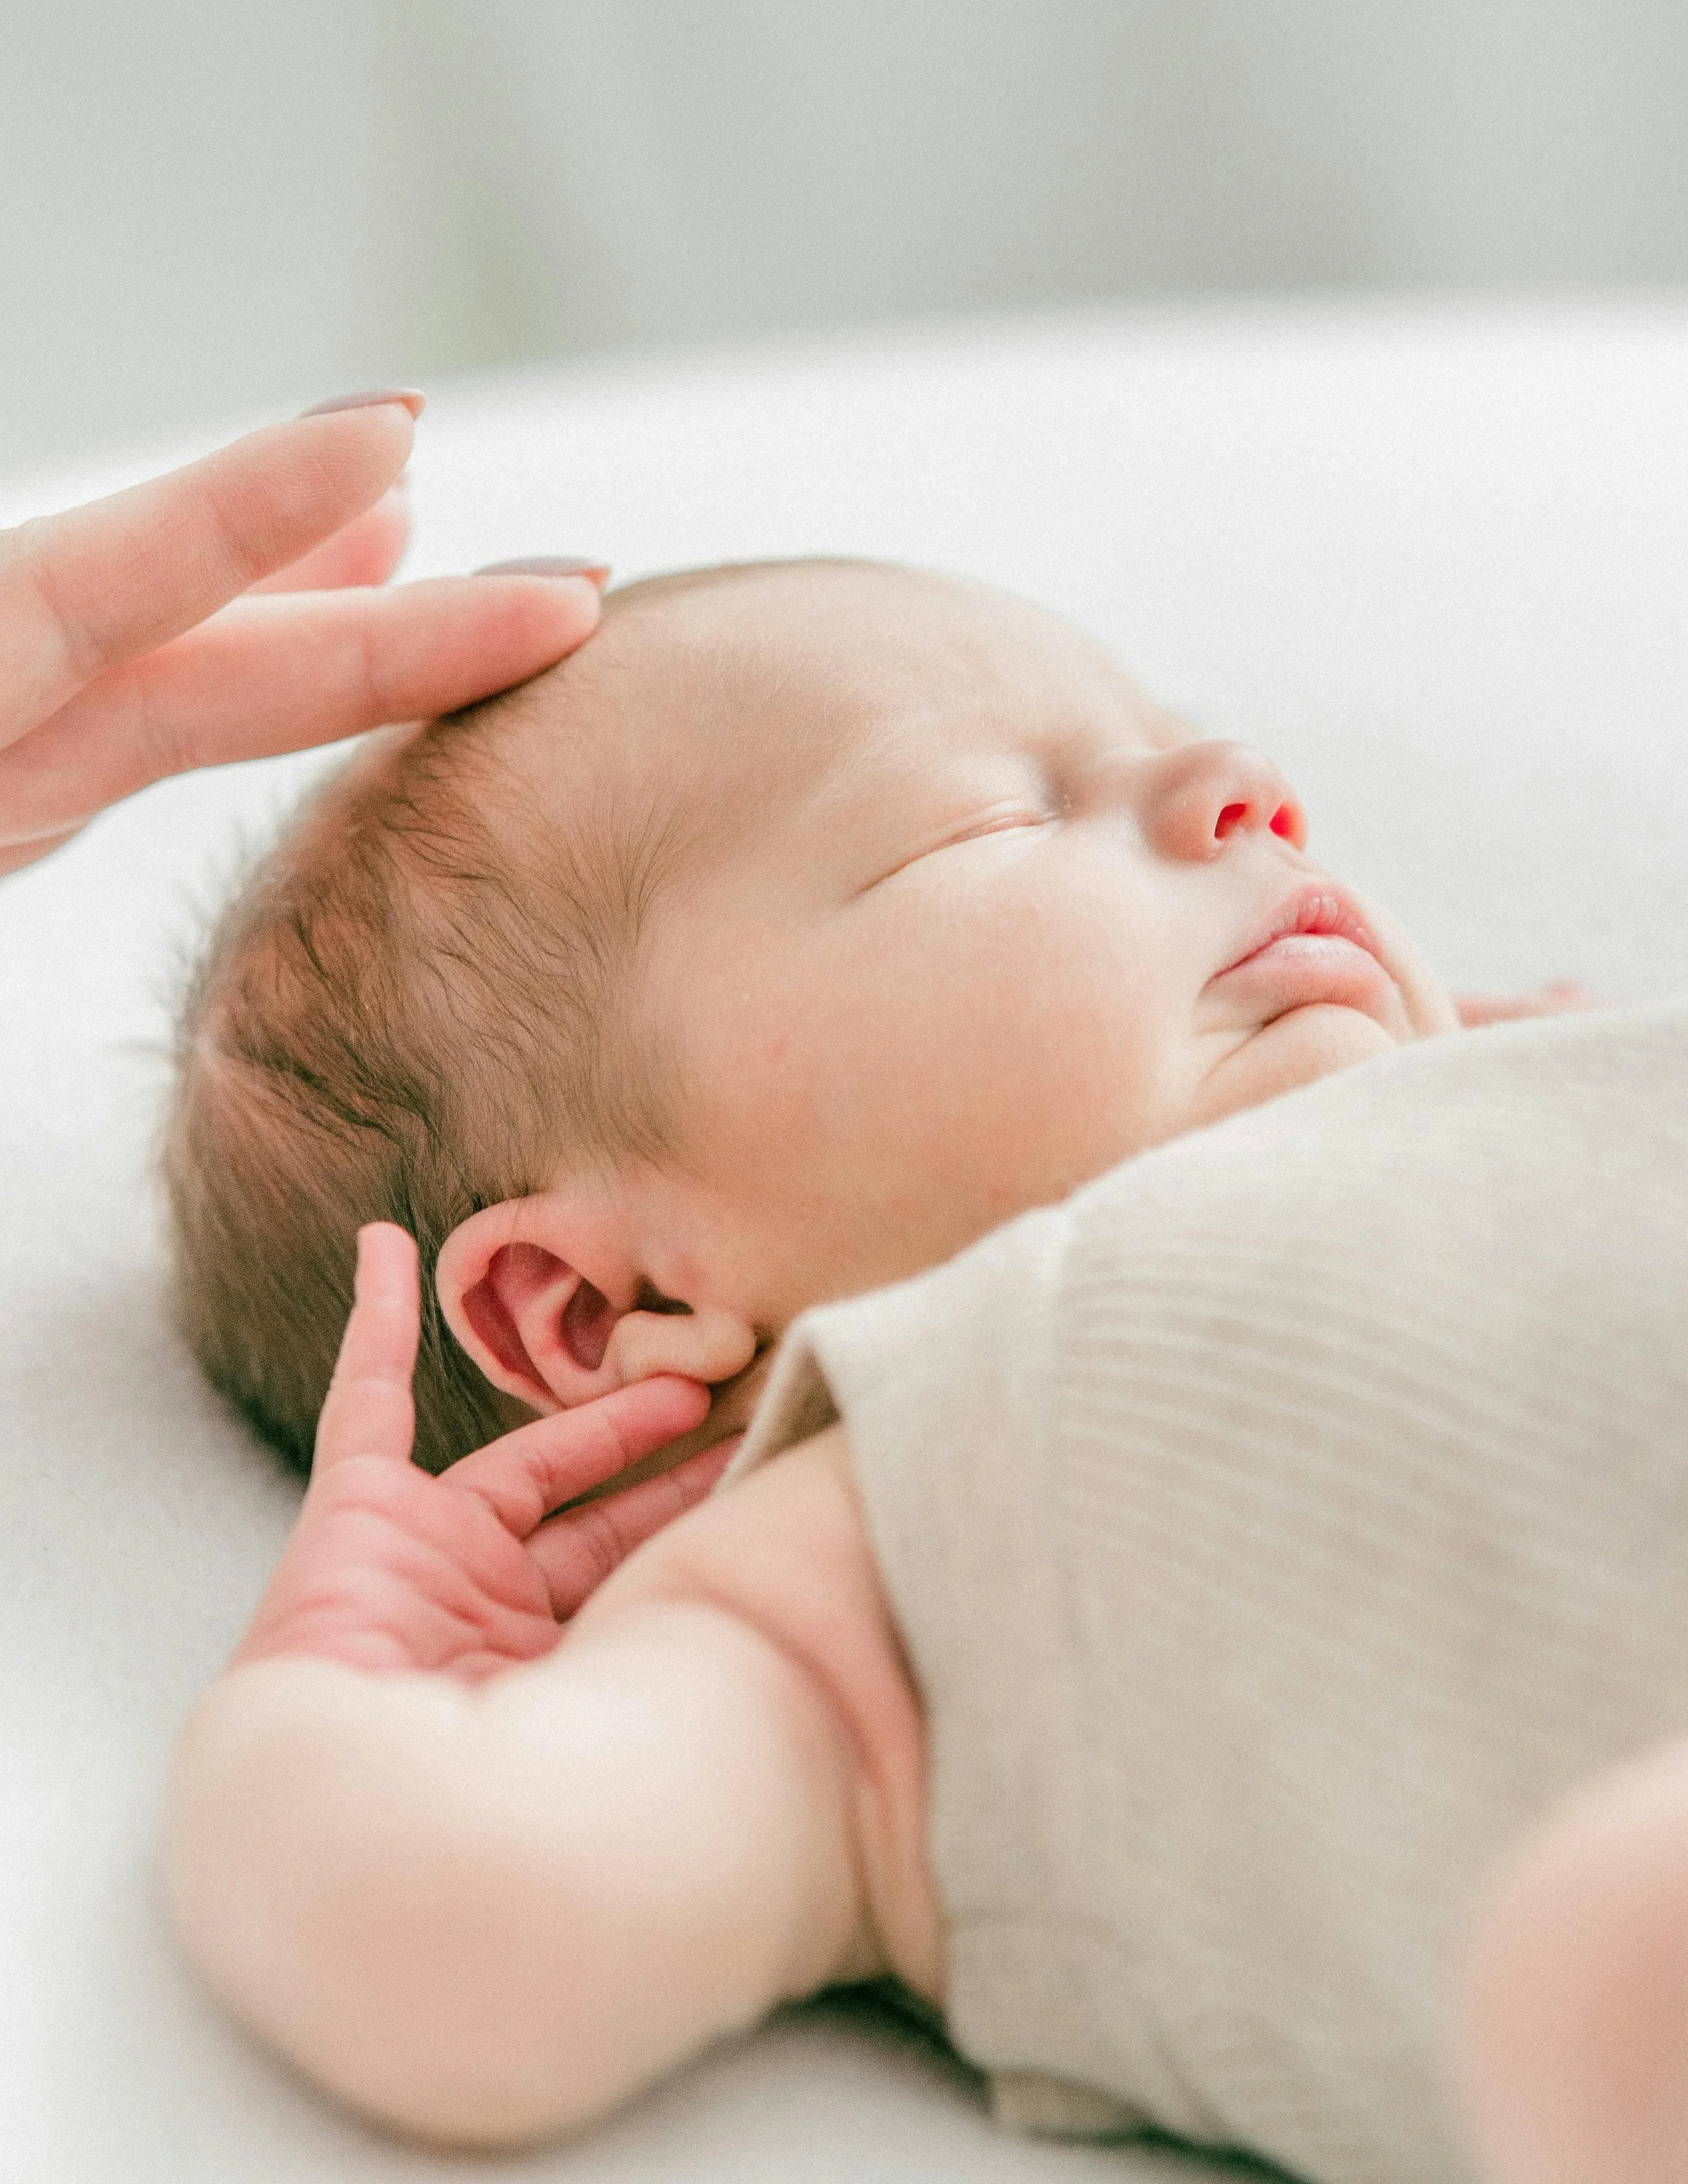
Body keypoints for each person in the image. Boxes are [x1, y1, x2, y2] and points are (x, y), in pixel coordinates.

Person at [157, 559, 1687, 2184]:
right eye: (993, 822)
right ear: (601, 1309)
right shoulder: (870, 1557)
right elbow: (463, 1950)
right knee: (1607, 1966)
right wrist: (328, 1693)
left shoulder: (1517, 1090)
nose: (1244, 789)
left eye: (1173, 738)